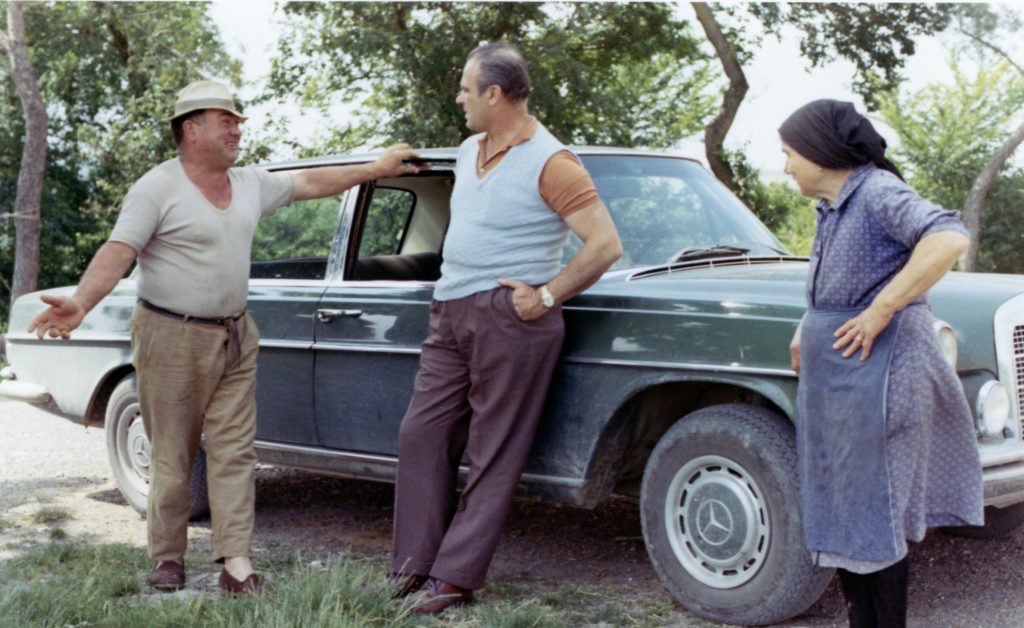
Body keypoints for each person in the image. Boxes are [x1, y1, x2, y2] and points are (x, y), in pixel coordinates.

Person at [28, 79, 419, 595]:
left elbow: (312, 183)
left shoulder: (250, 182)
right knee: (173, 453)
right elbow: (119, 250)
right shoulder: (157, 187)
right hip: (171, 335)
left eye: (237, 121)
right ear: (192, 129)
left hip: (235, 334)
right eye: (226, 120)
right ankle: (167, 556)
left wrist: (374, 170)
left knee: (236, 451)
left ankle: (236, 564)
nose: (237, 129)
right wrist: (80, 302)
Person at [389, 42, 622, 614]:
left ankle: (454, 579)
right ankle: (412, 568)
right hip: (449, 311)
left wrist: (546, 295)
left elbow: (605, 244)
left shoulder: (552, 161)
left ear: (495, 94)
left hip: (509, 317)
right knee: (421, 434)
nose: (460, 98)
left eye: (467, 89)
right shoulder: (471, 148)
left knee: (495, 451)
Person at [781, 99, 983, 627]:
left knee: (874, 512)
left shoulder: (876, 192)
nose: (785, 167)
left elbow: (948, 238)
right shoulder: (834, 207)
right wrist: (811, 321)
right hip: (848, 385)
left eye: (788, 154)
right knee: (849, 511)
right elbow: (841, 284)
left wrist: (880, 311)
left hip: (884, 379)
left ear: (820, 155)